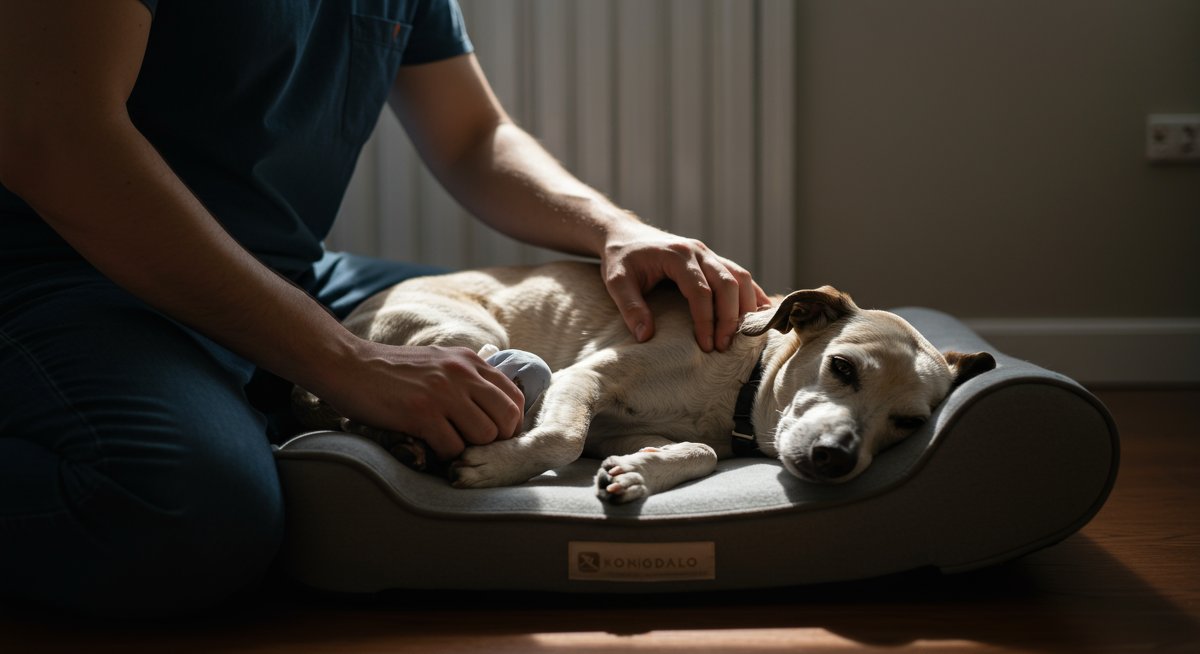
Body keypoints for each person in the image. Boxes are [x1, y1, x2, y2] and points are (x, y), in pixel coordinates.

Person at [0, 0, 768, 616]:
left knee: (546, 345)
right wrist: (349, 363)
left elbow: (473, 137)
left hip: (289, 271)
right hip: (62, 273)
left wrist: (616, 229)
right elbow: (55, 138)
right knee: (189, 516)